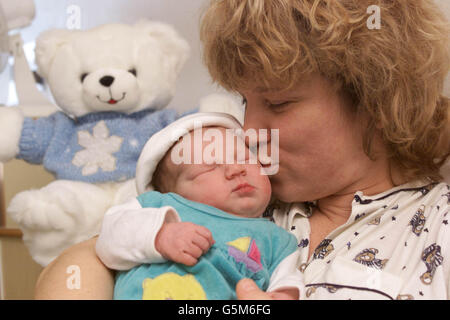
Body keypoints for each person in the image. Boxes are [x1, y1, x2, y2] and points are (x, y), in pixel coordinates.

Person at [35, 0, 450, 300]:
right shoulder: (239, 195)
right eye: (245, 102)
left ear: (374, 101)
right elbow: (77, 264)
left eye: (279, 102)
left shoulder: (437, 226)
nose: (248, 131)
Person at [95, 112, 303, 300]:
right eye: (209, 167)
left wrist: (284, 294)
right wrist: (160, 235)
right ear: (173, 192)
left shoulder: (279, 240)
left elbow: (288, 281)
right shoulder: (159, 206)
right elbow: (108, 239)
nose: (236, 169)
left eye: (246, 158)